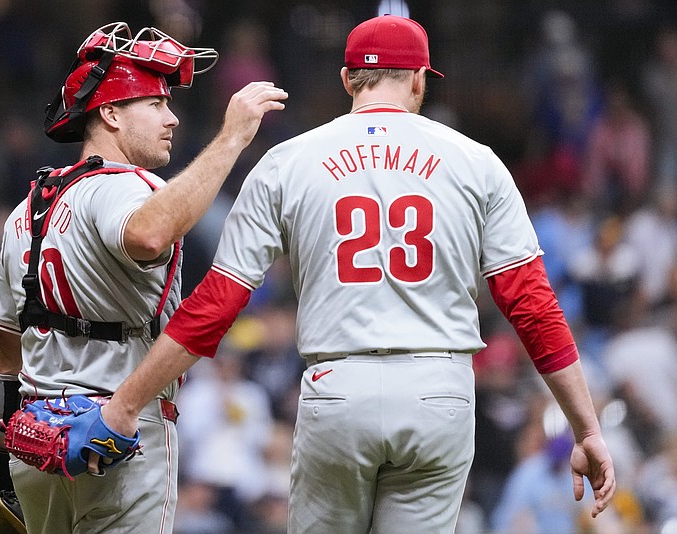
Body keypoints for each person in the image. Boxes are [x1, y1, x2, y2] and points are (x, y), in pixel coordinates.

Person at [99, 15, 616, 533]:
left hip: (336, 386)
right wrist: (585, 427)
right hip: (439, 390)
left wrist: (127, 402)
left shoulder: (287, 161)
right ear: (419, 80)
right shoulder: (475, 161)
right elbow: (532, 305)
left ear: (347, 80)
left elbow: (216, 305)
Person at [0, 21, 286, 533]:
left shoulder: (26, 210)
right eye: (155, 104)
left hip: (35, 440)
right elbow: (149, 233)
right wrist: (232, 137)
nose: (172, 120)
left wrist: (0, 455)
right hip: (114, 434)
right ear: (111, 113)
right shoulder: (123, 185)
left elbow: (7, 355)